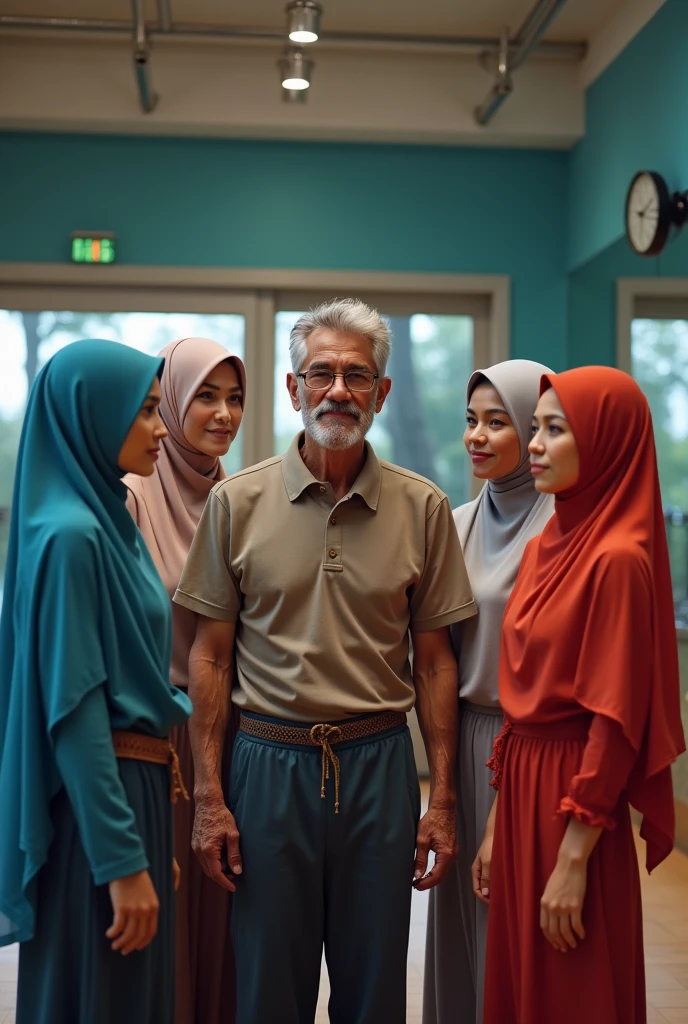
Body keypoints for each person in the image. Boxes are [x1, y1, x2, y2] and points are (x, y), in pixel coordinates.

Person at [173, 297, 477, 1024]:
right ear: (292, 388)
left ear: (382, 393)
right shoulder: (236, 504)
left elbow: (435, 665)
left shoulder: (423, 508)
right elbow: (209, 659)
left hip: (379, 766)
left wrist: (442, 801)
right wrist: (211, 798)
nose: (338, 390)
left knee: (374, 988)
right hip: (266, 765)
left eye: (357, 375)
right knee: (268, 987)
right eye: (320, 373)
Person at [480, 366, 685, 1024]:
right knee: (521, 983)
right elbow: (523, 701)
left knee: (572, 988)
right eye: (534, 428)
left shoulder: (619, 558)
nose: (534, 445)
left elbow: (615, 724)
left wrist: (573, 859)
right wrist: (495, 820)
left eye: (555, 431)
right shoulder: (547, 545)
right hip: (523, 796)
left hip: (576, 803)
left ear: (605, 443)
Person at [0, 339, 192, 1024]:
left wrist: (145, 843)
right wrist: (119, 860)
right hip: (96, 804)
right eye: (144, 412)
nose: (162, 429)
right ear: (93, 414)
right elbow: (75, 714)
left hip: (128, 796)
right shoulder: (71, 536)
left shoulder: (107, 520)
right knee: (100, 999)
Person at [423, 359, 554, 1024]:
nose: (477, 436)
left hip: (528, 744)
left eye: (497, 422)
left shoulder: (563, 525)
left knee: (512, 922)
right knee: (458, 922)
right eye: (471, 421)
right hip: (462, 732)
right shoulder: (455, 520)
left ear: (536, 430)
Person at [124, 336, 246, 1024]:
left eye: (234, 397)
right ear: (169, 401)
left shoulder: (236, 498)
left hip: (230, 733)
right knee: (165, 926)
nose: (224, 413)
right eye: (205, 394)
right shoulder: (132, 497)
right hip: (157, 737)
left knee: (223, 925)